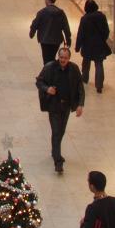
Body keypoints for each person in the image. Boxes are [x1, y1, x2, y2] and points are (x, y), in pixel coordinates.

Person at [36, 44, 85, 173]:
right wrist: (48, 89)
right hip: (54, 105)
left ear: (69, 58)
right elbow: (39, 82)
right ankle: (58, 162)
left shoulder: (74, 69)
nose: (63, 60)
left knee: (61, 131)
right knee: (56, 131)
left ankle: (54, 151)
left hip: (67, 106)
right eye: (61, 57)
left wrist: (80, 104)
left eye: (65, 58)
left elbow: (80, 87)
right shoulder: (50, 68)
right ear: (58, 57)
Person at [75, 0, 111, 94]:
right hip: (99, 44)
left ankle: (85, 78)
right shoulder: (101, 16)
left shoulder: (84, 19)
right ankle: (99, 86)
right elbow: (106, 31)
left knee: (86, 62)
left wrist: (77, 46)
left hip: (87, 45)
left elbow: (81, 34)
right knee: (99, 64)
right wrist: (103, 38)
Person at [29, 0, 72, 65]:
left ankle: (48, 73)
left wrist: (31, 33)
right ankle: (52, 71)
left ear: (47, 0)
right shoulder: (60, 12)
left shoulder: (42, 12)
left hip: (44, 39)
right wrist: (68, 39)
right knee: (52, 56)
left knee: (46, 59)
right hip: (56, 39)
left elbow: (35, 24)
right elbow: (66, 27)